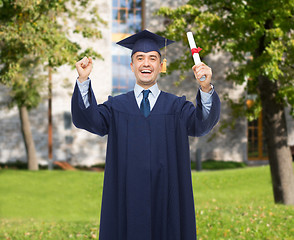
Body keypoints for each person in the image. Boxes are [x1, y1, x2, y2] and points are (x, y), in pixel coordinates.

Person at [71, 30, 220, 240]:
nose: (146, 63)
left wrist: (205, 88)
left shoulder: (177, 107)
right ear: (132, 66)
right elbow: (89, 119)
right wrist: (83, 80)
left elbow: (201, 124)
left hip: (167, 198)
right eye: (139, 58)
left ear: (161, 65)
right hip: (127, 198)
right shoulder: (116, 107)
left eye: (152, 58)